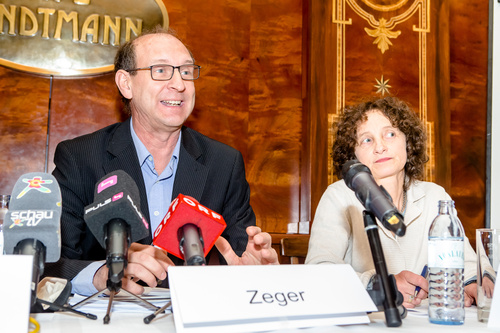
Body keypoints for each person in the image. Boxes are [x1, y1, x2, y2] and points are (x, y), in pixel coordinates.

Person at [44, 27, 278, 296]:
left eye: (186, 71)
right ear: (126, 83)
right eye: (161, 71)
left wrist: (256, 272)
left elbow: (241, 256)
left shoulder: (223, 164)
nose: (179, 84)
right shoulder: (81, 158)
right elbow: (52, 262)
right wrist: (101, 274)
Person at [305, 96, 477, 309]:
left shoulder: (436, 197)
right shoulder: (338, 196)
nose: (380, 147)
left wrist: (473, 284)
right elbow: (318, 271)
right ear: (353, 154)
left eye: (390, 134)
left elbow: (467, 265)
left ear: (408, 142)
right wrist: (380, 286)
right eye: (367, 140)